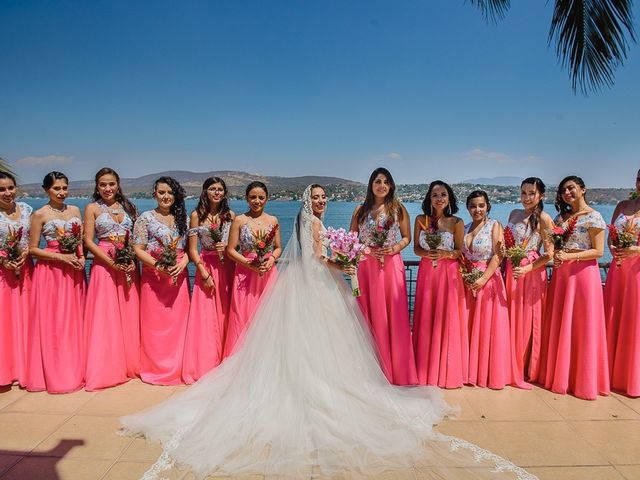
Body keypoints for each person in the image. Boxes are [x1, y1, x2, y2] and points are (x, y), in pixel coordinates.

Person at [121, 184, 537, 480]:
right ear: (310, 202)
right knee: (324, 343)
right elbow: (322, 259)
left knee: (313, 345)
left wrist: (346, 259)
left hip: (309, 284)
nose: (321, 203)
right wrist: (346, 264)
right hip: (320, 284)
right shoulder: (313, 225)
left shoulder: (310, 220)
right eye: (317, 198)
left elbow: (318, 255)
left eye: (323, 199)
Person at [537, 176, 609, 400]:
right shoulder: (561, 217)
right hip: (562, 275)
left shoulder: (594, 216)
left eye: (571, 188)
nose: (567, 192)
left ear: (582, 189)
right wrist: (558, 256)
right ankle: (560, 376)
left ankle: (583, 380)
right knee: (561, 323)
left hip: (583, 276)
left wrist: (570, 257)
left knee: (581, 325)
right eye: (563, 190)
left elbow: (598, 252)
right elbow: (555, 244)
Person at [349, 167, 417, 385]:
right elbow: (352, 239)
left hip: (390, 265)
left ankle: (396, 371)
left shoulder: (398, 209)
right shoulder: (360, 210)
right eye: (378, 181)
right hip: (367, 267)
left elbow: (407, 237)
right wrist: (361, 251)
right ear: (371, 185)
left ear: (391, 186)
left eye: (386, 182)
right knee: (365, 315)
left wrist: (394, 247)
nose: (382, 185)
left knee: (393, 316)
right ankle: (368, 371)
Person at [27, 171, 85, 393]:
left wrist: (79, 256)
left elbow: (78, 240)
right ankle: (56, 371)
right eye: (56, 189)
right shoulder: (39, 214)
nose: (61, 192)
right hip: (51, 272)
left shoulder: (74, 210)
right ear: (46, 190)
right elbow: (33, 249)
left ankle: (75, 366)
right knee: (54, 322)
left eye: (64, 188)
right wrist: (62, 257)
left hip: (74, 271)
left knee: (74, 320)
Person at [83, 167, 141, 391]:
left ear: (118, 184)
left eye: (111, 184)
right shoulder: (92, 208)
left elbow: (136, 239)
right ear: (97, 187)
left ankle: (128, 363)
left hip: (127, 264)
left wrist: (129, 261)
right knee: (105, 315)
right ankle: (105, 366)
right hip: (104, 265)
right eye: (103, 184)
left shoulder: (129, 207)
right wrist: (111, 263)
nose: (107, 188)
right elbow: (88, 242)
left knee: (128, 313)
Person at [133, 176, 190, 385]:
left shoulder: (181, 218)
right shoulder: (145, 218)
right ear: (154, 194)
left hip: (178, 276)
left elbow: (189, 250)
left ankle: (177, 365)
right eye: (162, 192)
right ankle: (155, 367)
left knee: (178, 323)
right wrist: (159, 266)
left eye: (170, 193)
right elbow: (137, 249)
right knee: (154, 324)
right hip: (154, 277)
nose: (166, 197)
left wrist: (183, 264)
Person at [412, 180, 467, 388]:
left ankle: (446, 369)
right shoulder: (420, 220)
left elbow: (460, 251)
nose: (439, 198)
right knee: (427, 316)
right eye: (435, 195)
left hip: (448, 273)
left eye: (443, 194)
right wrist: (428, 254)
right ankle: (424, 368)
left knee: (447, 318)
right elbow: (416, 248)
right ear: (429, 198)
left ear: (449, 198)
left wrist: (445, 254)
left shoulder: (456, 222)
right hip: (427, 272)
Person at [182, 177, 235, 383]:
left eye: (220, 189)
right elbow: (193, 249)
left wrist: (230, 248)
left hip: (227, 266)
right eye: (212, 189)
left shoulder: (230, 215)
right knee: (206, 317)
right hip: (207, 266)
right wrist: (203, 272)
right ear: (205, 191)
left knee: (226, 311)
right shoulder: (196, 215)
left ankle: (226, 361)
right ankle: (206, 364)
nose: (216, 192)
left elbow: (236, 245)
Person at [504, 178, 553, 389]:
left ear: (540, 195)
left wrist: (526, 268)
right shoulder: (514, 214)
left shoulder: (543, 218)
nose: (526, 197)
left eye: (531, 193)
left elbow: (550, 254)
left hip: (530, 272)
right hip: (510, 268)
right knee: (509, 316)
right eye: (523, 193)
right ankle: (507, 363)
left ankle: (524, 368)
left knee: (526, 320)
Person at [222, 181, 281, 358]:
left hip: (267, 274)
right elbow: (230, 250)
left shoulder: (273, 220)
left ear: (267, 199)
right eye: (253, 197)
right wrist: (249, 264)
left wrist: (271, 259)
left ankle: (266, 357)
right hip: (245, 275)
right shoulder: (240, 220)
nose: (257, 201)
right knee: (243, 316)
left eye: (261, 197)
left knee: (268, 316)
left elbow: (278, 247)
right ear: (247, 198)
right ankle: (241, 358)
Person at [462, 191, 511, 389]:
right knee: (469, 326)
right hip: (468, 282)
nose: (477, 210)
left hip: (489, 281)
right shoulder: (464, 228)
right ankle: (468, 370)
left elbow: (499, 256)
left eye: (481, 205)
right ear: (468, 208)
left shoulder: (495, 226)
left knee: (487, 327)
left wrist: (483, 279)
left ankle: (486, 372)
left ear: (487, 206)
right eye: (473, 206)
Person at [604, 168, 640, 397]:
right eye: (639, 178)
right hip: (617, 271)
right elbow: (610, 235)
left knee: (634, 323)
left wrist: (636, 249)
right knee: (612, 318)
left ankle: (632, 378)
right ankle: (608, 374)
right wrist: (614, 248)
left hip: (637, 271)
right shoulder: (622, 205)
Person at [0, 170, 32, 387]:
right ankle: (5, 370)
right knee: (5, 321)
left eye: (10, 188)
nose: (7, 192)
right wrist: (3, 260)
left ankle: (27, 369)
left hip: (26, 270)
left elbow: (34, 238)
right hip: (3, 273)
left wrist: (27, 252)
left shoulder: (28, 210)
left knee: (27, 318)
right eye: (2, 189)